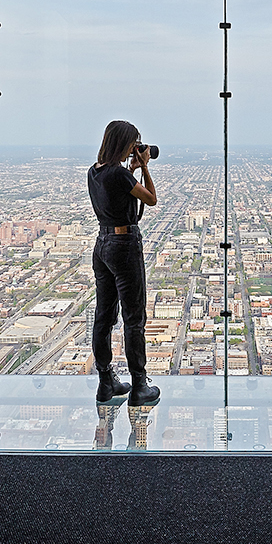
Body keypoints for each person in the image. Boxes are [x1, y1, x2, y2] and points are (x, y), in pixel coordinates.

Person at [87, 120, 161, 406]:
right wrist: (144, 167)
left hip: (102, 246)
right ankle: (140, 386)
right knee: (134, 319)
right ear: (125, 143)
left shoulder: (95, 172)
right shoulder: (121, 174)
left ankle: (106, 383)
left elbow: (115, 194)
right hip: (124, 246)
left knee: (103, 316)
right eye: (134, 143)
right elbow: (151, 199)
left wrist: (130, 169)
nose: (137, 148)